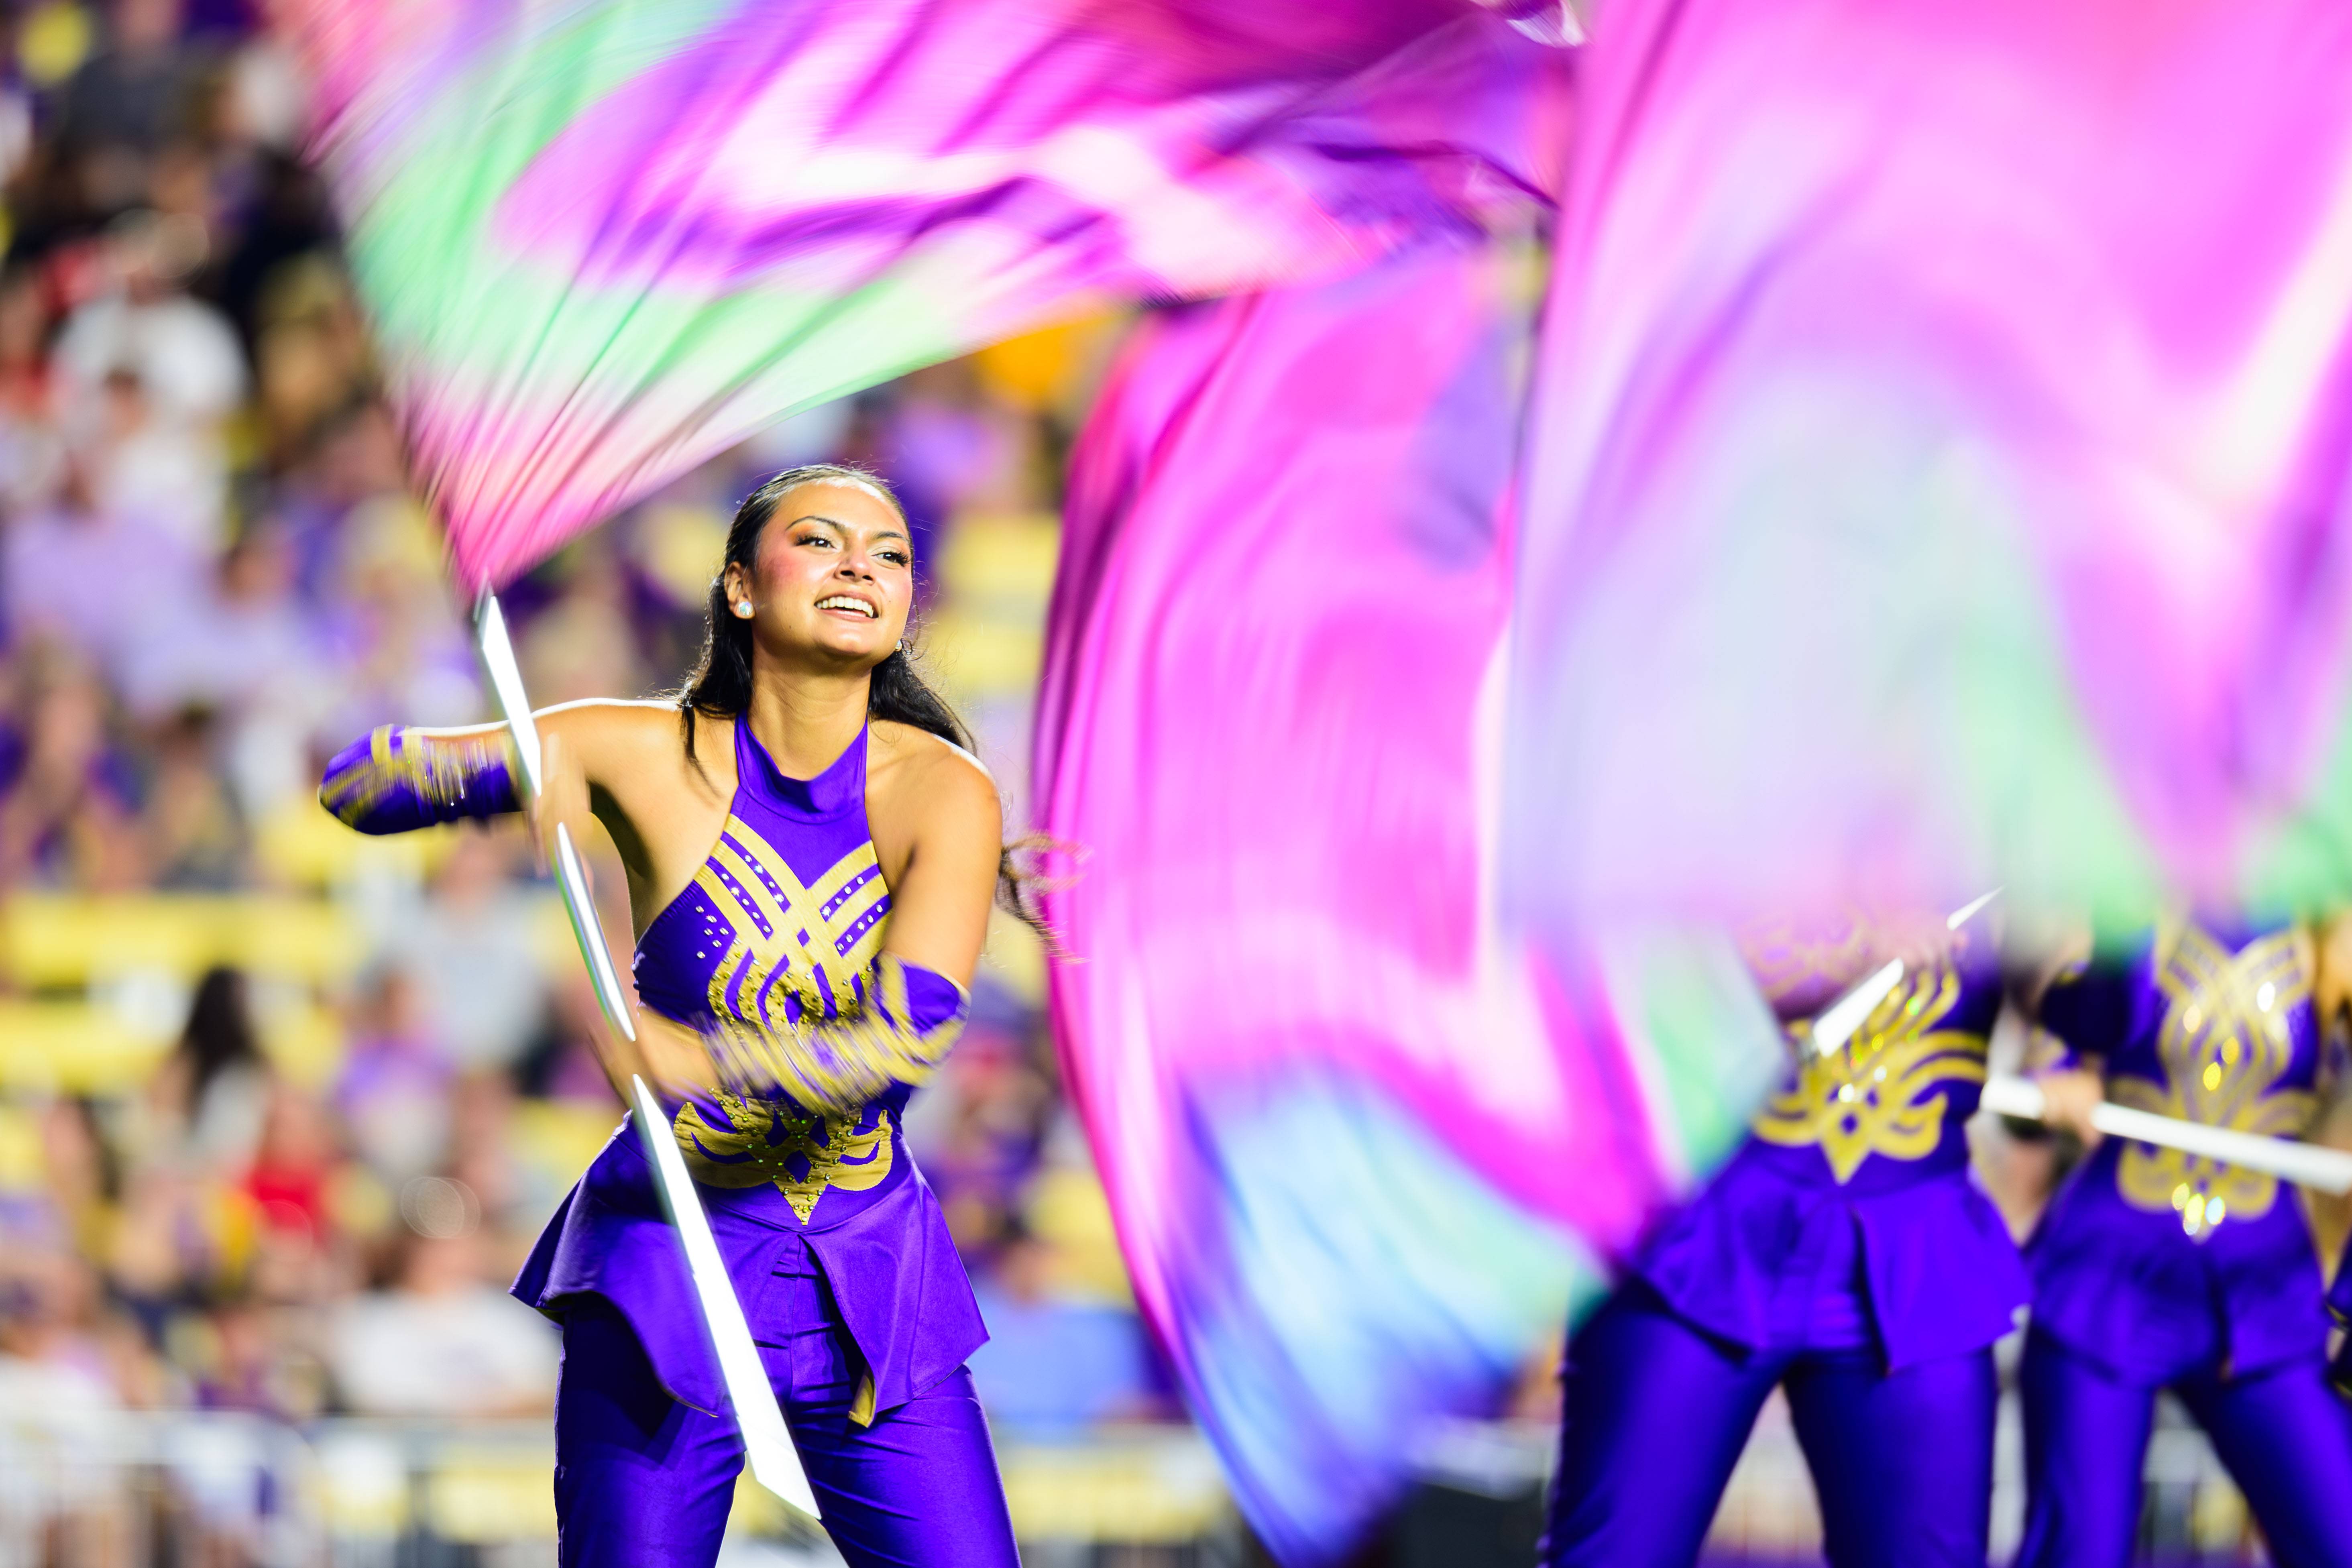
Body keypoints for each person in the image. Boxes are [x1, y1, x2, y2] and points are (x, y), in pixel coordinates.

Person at [318, 463, 1021, 1567]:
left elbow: (901, 1045)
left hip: (872, 1284)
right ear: (739, 586)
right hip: (665, 1273)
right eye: (820, 542)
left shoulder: (946, 789)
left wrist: (700, 1064)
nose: (858, 568)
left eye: (887, 555)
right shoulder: (639, 746)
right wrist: (480, 778)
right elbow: (355, 786)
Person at [1543, 907, 2026, 1568]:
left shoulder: (2004, 849)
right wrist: (1845, 940)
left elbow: (2085, 1012)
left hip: (1915, 1252)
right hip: (1698, 1232)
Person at [2016, 914, 2352, 1568]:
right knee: (2078, 1550)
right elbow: (2041, 1061)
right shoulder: (2128, 902)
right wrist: (2053, 1080)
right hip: (2105, 1282)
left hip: (2265, 1297)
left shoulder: (2329, 931)